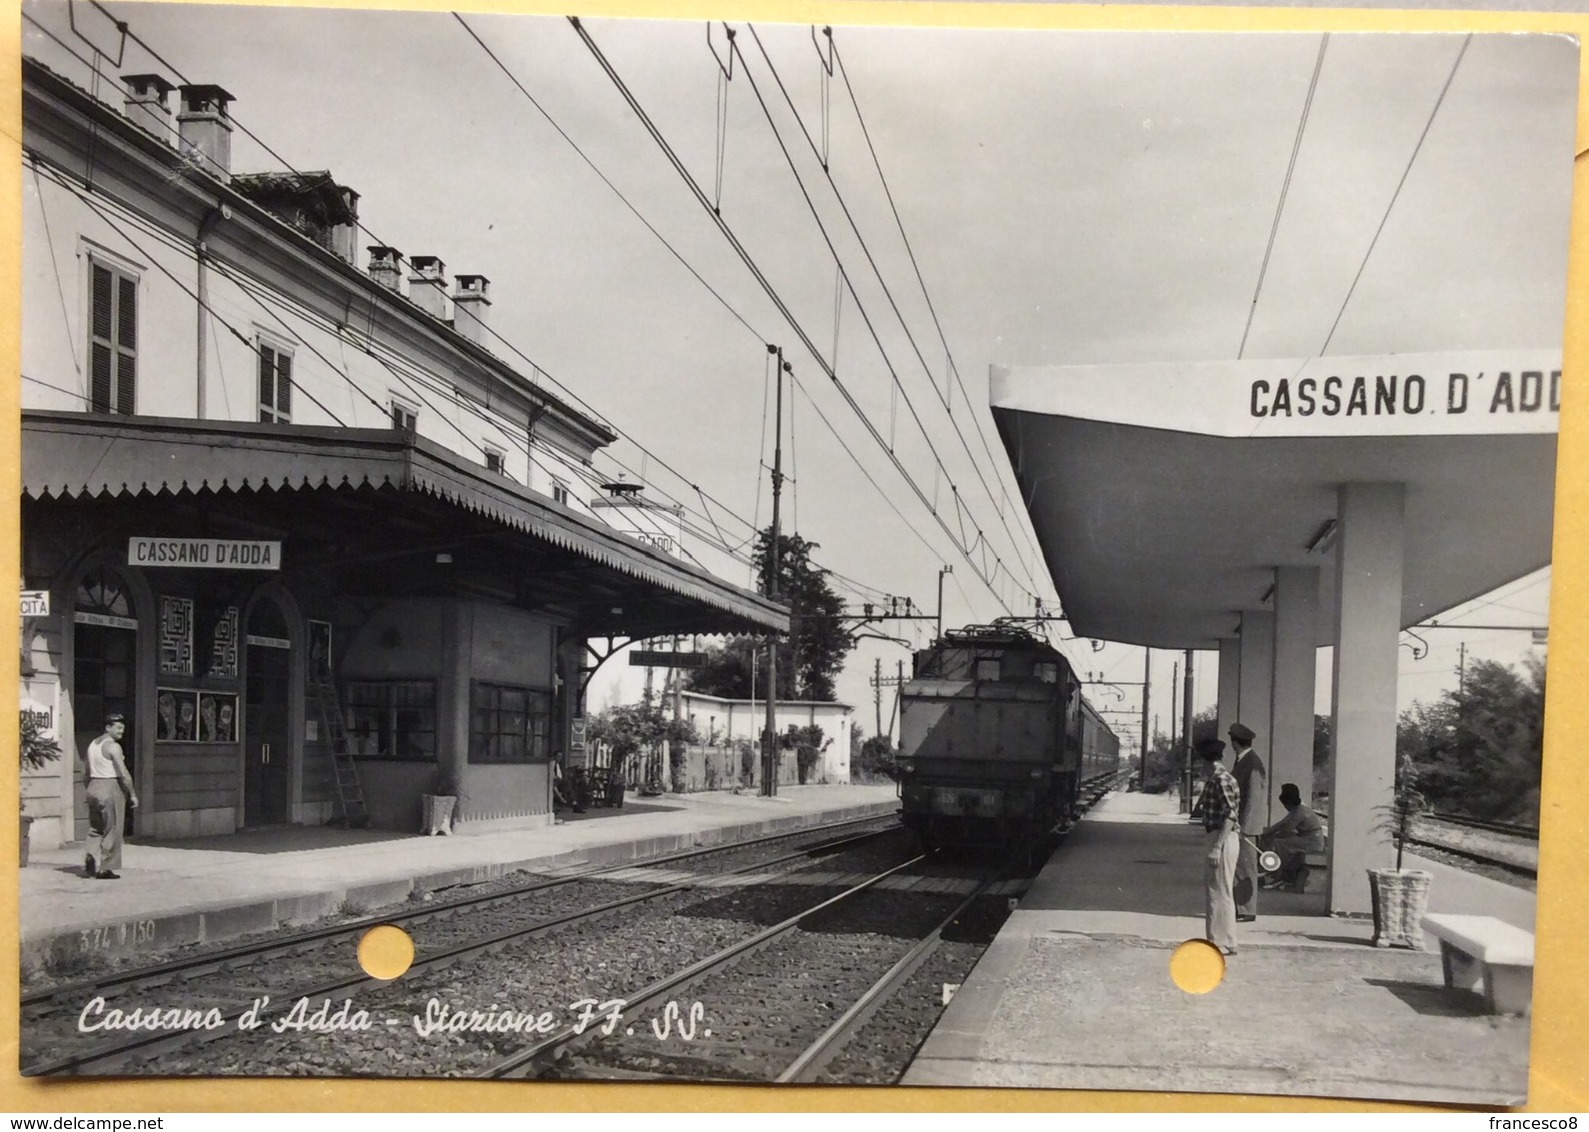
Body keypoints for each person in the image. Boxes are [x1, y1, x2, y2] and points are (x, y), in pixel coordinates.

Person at [1193, 736, 1241, 956]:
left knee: (1217, 892)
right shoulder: (1220, 778)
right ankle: (1225, 940)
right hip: (1221, 837)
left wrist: (1216, 847)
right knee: (1222, 891)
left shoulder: (1221, 779)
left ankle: (1218, 941)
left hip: (1222, 838)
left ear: (1206, 760)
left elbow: (1230, 815)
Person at [83, 713, 138, 880]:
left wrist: (90, 788)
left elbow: (85, 771)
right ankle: (105, 868)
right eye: (118, 728)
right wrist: (132, 794)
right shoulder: (113, 746)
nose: (122, 731)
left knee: (95, 827)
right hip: (110, 786)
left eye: (123, 728)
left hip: (93, 785)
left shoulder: (92, 745)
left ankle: (90, 855)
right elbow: (124, 773)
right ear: (108, 727)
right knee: (112, 829)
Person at [1228, 722, 1266, 922]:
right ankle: (1241, 908)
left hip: (1246, 826)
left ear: (1236, 742)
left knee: (1245, 868)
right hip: (1242, 824)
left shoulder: (1251, 764)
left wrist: (1242, 826)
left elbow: (1252, 798)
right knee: (1239, 868)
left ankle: (1247, 910)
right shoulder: (1244, 761)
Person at [1258, 783, 1327, 892]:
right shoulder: (1298, 810)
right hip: (1306, 838)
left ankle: (1278, 875)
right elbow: (1281, 824)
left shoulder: (1300, 812)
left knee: (1279, 844)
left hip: (1312, 841)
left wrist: (1269, 835)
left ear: (1289, 802)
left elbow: (1286, 829)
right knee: (1280, 842)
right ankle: (1276, 871)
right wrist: (1267, 833)